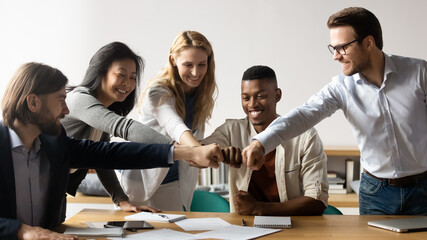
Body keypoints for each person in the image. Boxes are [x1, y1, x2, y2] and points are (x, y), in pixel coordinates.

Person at [0, 62, 223, 239]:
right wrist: (22, 231)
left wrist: (184, 153)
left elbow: (110, 153)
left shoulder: (55, 144)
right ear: (33, 103)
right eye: (60, 100)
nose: (66, 110)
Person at [242, 7, 427, 215]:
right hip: (376, 193)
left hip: (423, 189)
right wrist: (261, 142)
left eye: (342, 48)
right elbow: (303, 115)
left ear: (368, 43)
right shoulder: (341, 87)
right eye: (333, 48)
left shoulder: (419, 73)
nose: (336, 57)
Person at [62, 42, 173, 213]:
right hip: (36, 181)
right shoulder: (79, 99)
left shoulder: (101, 111)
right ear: (100, 72)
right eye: (121, 74)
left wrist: (122, 200)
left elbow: (101, 160)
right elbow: (123, 126)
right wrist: (180, 150)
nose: (127, 84)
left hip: (56, 185)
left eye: (132, 77)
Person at [202, 65, 328, 215]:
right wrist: (220, 151)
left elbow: (317, 200)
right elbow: (198, 152)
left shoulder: (306, 136)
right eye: (246, 98)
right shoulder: (231, 130)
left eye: (260, 96)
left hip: (294, 228)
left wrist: (259, 208)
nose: (252, 104)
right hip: (243, 228)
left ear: (277, 95)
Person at [120, 30, 217, 211]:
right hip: (140, 178)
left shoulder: (200, 95)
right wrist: (198, 153)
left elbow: (196, 141)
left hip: (172, 181)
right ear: (173, 60)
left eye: (202, 64)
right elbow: (174, 126)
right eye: (188, 64)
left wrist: (205, 154)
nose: (196, 72)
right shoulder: (157, 91)